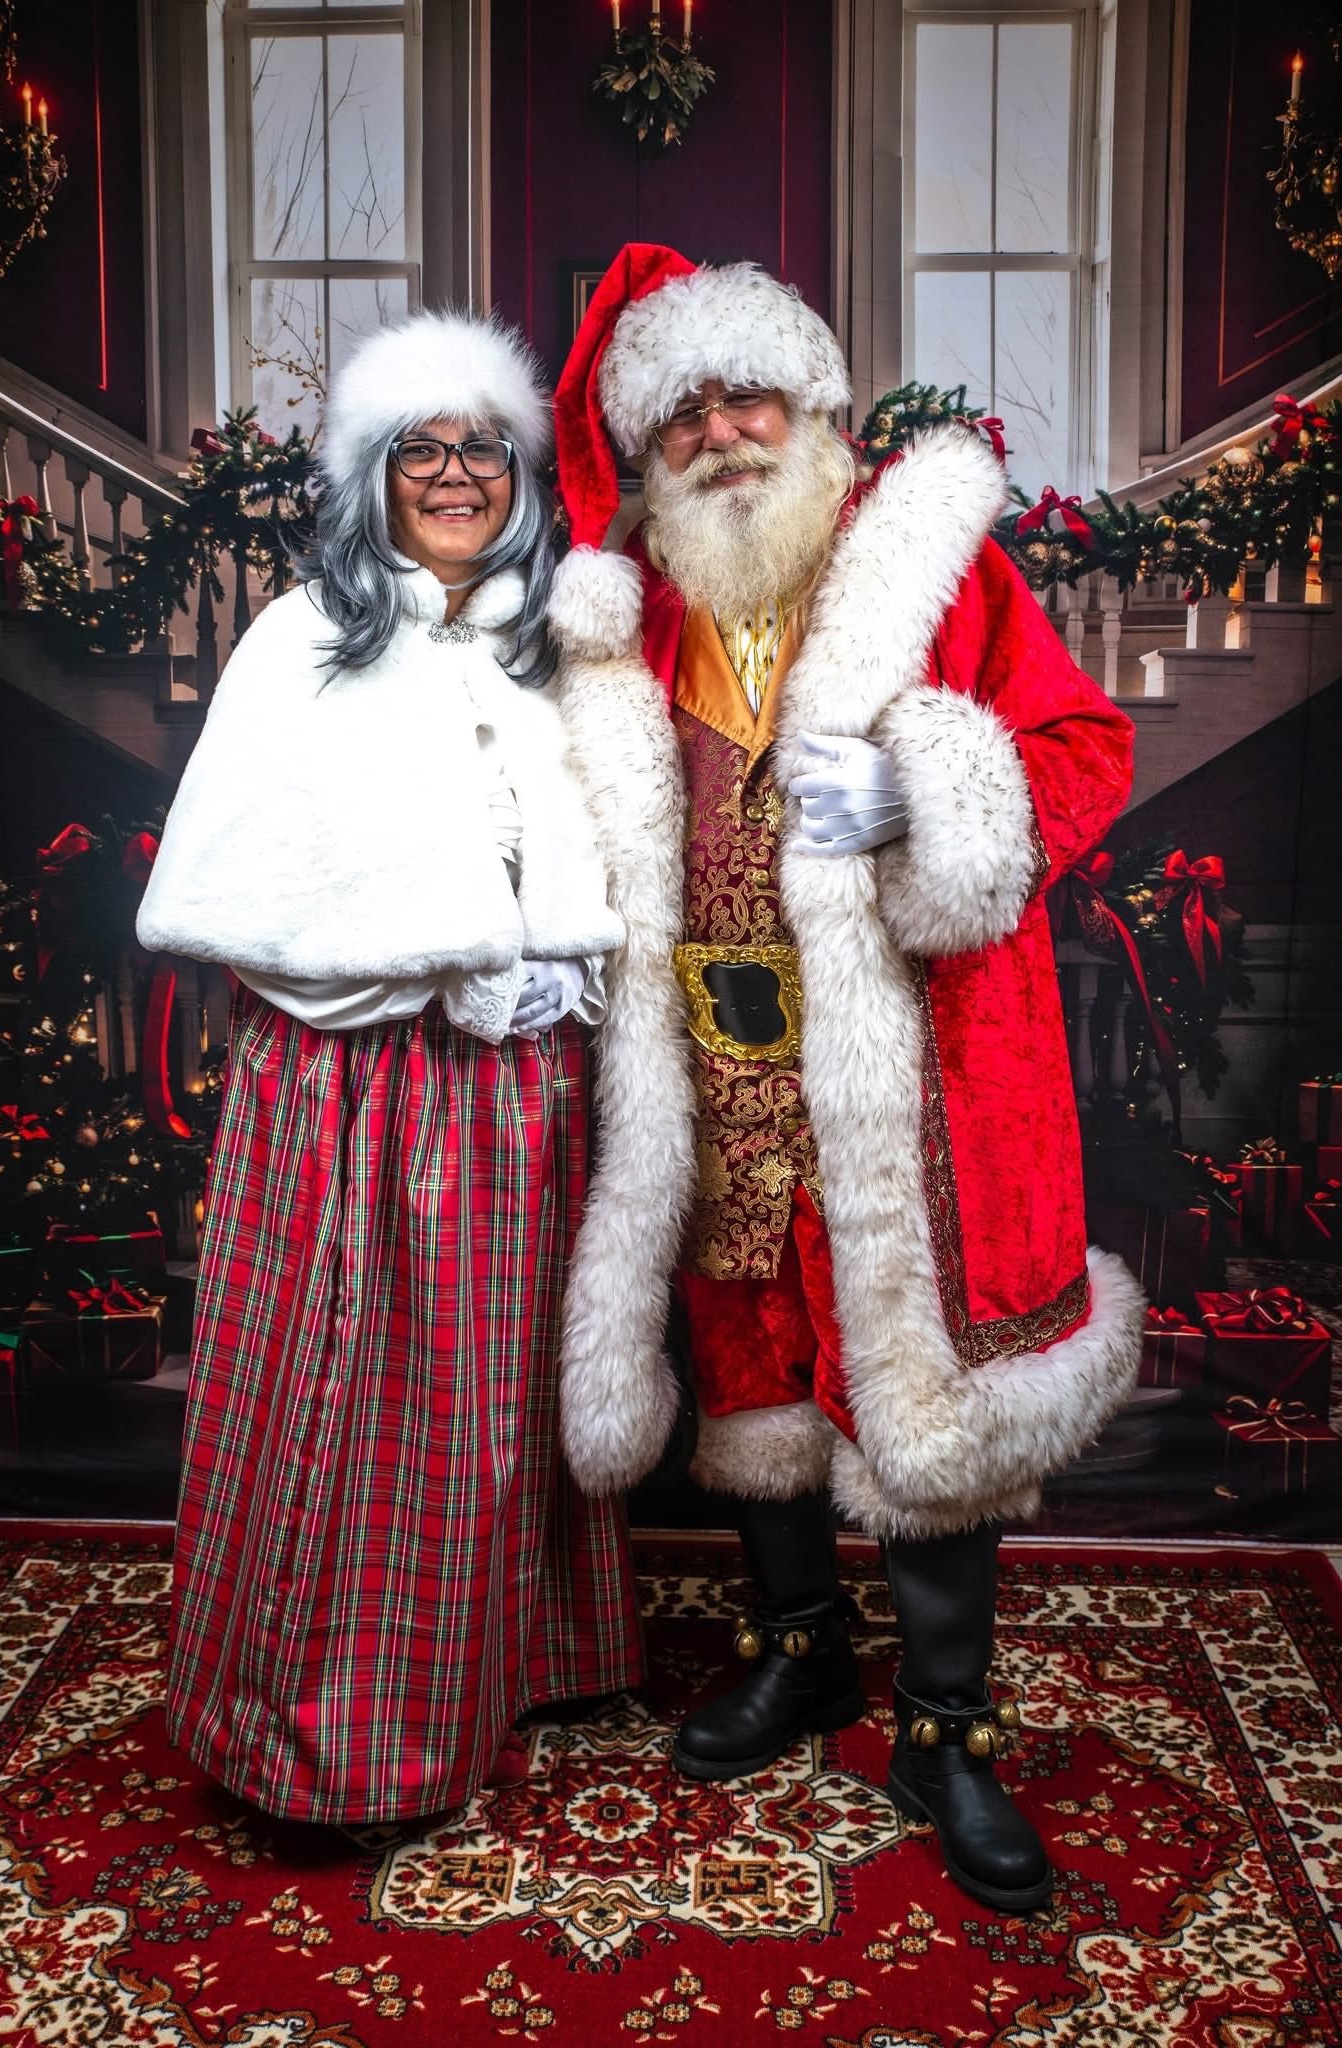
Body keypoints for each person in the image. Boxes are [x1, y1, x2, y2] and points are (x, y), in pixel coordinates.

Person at [544, 244, 1144, 1914]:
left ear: (813, 411)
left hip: (914, 1073)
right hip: (711, 1069)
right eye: (683, 417)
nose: (722, 437)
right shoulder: (627, 611)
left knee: (923, 1380)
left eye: (749, 399)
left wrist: (926, 793)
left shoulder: (930, 569)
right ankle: (799, 1649)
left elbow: (1086, 749)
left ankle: (949, 1729)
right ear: (649, 452)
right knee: (755, 1371)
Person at [136, 309, 644, 1825]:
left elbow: (615, 843)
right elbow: (231, 889)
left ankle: (502, 1669)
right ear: (372, 475)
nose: (455, 474)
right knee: (349, 1398)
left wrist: (558, 957)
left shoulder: (562, 648)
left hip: (521, 1083)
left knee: (496, 1408)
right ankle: (328, 1730)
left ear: (522, 475)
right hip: (351, 1091)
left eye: (482, 447)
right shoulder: (298, 641)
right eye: (420, 449)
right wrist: (432, 960)